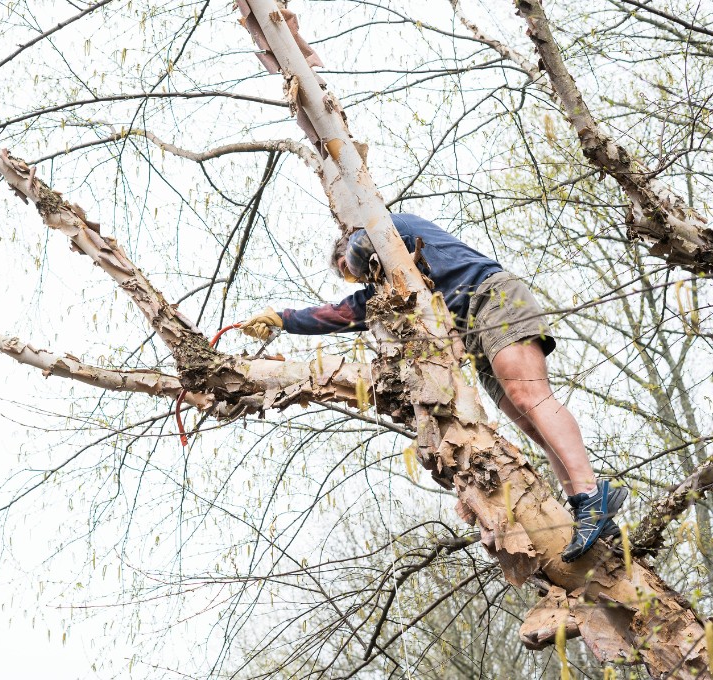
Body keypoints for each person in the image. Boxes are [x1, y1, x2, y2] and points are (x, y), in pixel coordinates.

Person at [242, 214, 625, 562]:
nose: (360, 278)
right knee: (528, 421)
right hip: (474, 331)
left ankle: (592, 495)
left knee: (531, 396)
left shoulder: (386, 231)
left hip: (490, 296)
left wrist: (355, 253)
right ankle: (583, 506)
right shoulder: (389, 283)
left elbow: (363, 243)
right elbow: (343, 314)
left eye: (350, 271)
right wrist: (283, 319)